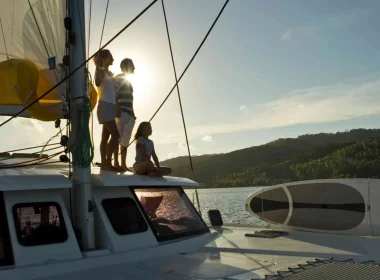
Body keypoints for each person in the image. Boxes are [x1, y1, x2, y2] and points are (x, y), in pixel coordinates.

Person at [94, 49, 120, 172]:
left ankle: (105, 163)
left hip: (110, 106)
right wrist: (98, 66)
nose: (113, 59)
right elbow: (98, 83)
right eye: (111, 57)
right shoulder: (101, 71)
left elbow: (113, 92)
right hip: (104, 105)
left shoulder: (109, 73)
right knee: (116, 135)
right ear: (104, 59)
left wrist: (116, 107)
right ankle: (107, 163)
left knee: (105, 137)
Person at [113, 58, 136, 172]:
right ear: (125, 66)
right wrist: (117, 109)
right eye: (132, 65)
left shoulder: (128, 82)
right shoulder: (118, 78)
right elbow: (114, 94)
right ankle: (116, 163)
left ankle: (123, 164)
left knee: (125, 140)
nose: (134, 67)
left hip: (129, 114)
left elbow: (130, 99)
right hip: (121, 112)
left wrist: (133, 113)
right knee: (117, 138)